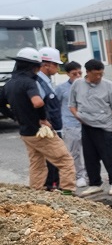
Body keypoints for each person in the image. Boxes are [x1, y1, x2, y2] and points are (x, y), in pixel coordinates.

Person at [0, 48, 76, 195]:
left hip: (25, 131)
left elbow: (1, 104)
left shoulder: (9, 84)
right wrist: (43, 119)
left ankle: (36, 192)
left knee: (37, 163)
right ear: (33, 66)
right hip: (41, 131)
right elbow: (38, 102)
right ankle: (68, 193)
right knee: (65, 160)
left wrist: (15, 117)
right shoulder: (29, 82)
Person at [70, 59, 112, 196]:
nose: (99, 77)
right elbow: (72, 104)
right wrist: (77, 115)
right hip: (86, 126)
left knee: (109, 156)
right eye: (96, 74)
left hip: (104, 127)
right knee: (90, 157)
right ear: (87, 72)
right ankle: (95, 184)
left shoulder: (108, 85)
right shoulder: (77, 84)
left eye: (101, 74)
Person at [55, 61, 87, 187]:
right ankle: (79, 176)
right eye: (74, 74)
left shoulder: (87, 86)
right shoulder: (61, 88)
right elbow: (55, 105)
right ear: (68, 74)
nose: (78, 76)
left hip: (87, 123)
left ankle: (90, 174)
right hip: (70, 124)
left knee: (89, 151)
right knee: (75, 152)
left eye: (80, 73)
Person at [36, 47, 64, 190]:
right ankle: (50, 187)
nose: (57, 68)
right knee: (53, 160)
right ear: (46, 65)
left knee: (56, 161)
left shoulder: (46, 82)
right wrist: (44, 122)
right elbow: (38, 105)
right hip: (48, 129)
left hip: (55, 128)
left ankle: (55, 186)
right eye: (56, 64)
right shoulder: (38, 83)